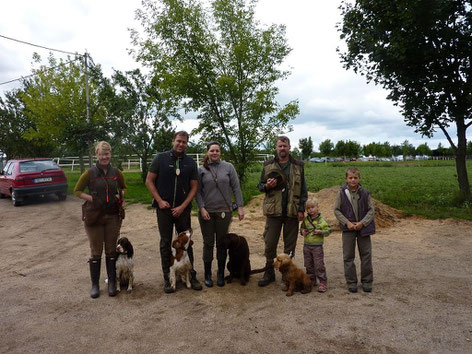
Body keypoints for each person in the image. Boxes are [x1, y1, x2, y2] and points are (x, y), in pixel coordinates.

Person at [145, 131, 202, 293]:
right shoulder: (160, 158)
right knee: (165, 242)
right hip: (164, 209)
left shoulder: (190, 163)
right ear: (173, 141)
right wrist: (160, 201)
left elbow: (194, 187)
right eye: (178, 141)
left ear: (187, 143)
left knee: (186, 242)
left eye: (184, 142)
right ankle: (167, 276)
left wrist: (183, 206)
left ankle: (191, 274)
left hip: (182, 209)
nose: (181, 144)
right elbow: (149, 181)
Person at [74, 141, 127, 298]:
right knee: (96, 251)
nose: (104, 157)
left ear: (110, 154)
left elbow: (124, 187)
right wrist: (92, 199)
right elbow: (77, 191)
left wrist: (119, 195)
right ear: (96, 155)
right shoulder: (89, 173)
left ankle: (112, 283)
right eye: (101, 154)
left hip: (112, 216)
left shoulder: (116, 172)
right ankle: (95, 285)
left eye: (107, 153)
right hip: (94, 217)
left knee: (111, 250)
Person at [257, 136, 308, 287]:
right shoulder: (268, 165)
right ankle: (269, 273)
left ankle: (288, 274)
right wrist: (267, 186)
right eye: (280, 146)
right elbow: (260, 186)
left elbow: (303, 189)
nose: (282, 148)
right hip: (274, 211)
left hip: (292, 211)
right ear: (276, 147)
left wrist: (301, 209)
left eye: (285, 146)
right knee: (270, 243)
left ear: (289, 147)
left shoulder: (298, 165)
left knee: (290, 245)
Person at [196, 141, 245, 287]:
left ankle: (221, 274)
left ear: (220, 152)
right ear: (207, 152)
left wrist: (240, 207)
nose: (214, 153)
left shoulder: (228, 167)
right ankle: (207, 274)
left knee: (222, 244)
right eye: (212, 150)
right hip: (207, 212)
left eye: (217, 150)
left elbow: (236, 187)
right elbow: (197, 191)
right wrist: (201, 208)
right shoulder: (201, 170)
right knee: (208, 243)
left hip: (224, 212)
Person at [334, 167, 376, 293]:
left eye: (355, 178)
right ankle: (351, 282)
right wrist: (347, 223)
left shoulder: (365, 193)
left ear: (359, 178)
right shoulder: (341, 193)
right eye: (350, 178)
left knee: (366, 255)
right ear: (346, 178)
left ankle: (367, 281)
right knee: (348, 256)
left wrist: (362, 223)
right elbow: (336, 210)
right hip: (348, 229)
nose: (353, 180)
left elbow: (371, 210)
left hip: (363, 229)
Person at [300, 197, 331, 293]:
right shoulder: (306, 220)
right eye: (308, 208)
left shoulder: (322, 220)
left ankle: (322, 281)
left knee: (319, 265)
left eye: (312, 207)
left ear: (317, 207)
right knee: (308, 264)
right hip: (307, 245)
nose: (310, 210)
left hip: (317, 246)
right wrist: (302, 232)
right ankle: (311, 280)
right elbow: (302, 229)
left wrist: (321, 232)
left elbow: (329, 231)